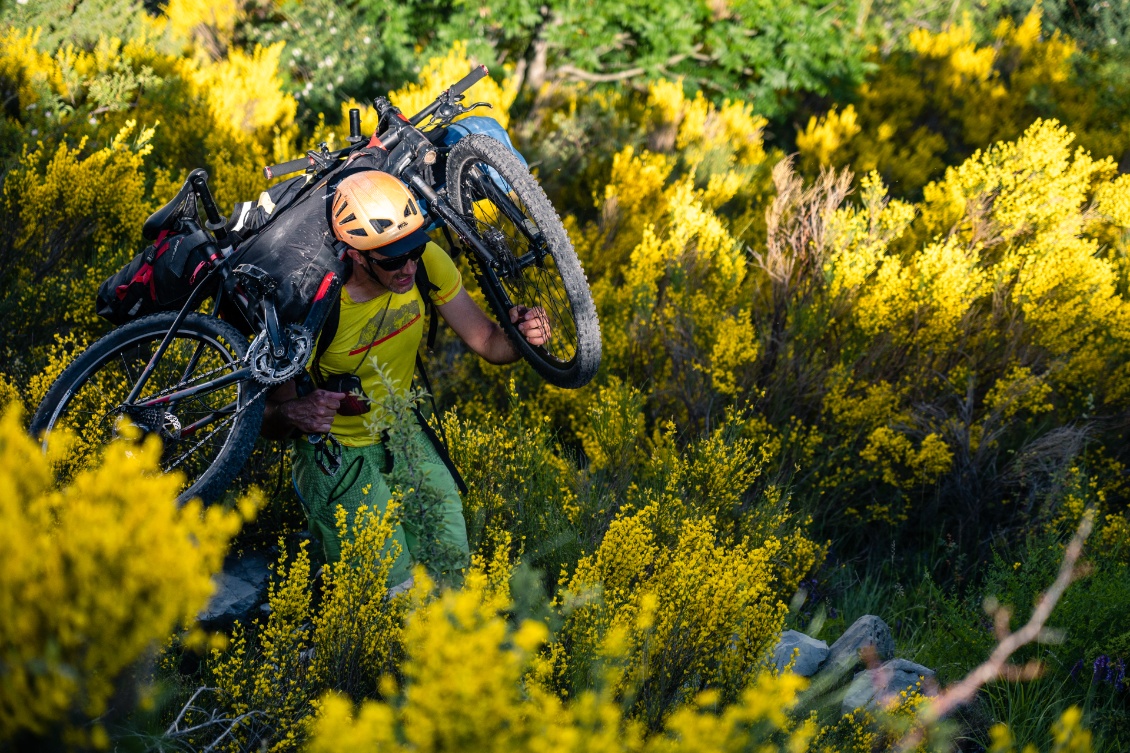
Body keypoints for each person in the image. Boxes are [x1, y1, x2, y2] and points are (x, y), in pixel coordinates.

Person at [260, 170, 549, 589]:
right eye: (392, 259)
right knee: (391, 589)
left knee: (449, 570)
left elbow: (488, 341)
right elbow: (269, 421)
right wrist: (296, 411)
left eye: (414, 249)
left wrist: (523, 339)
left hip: (402, 434)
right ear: (357, 254)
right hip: (336, 453)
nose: (408, 267)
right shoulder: (312, 305)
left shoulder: (426, 266)